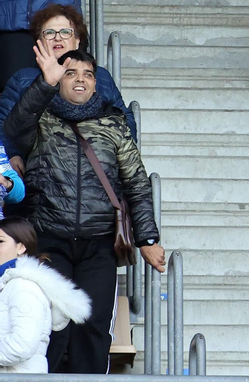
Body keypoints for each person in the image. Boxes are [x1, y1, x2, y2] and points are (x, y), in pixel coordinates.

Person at [3, 49, 162, 372]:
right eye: (71, 73)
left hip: (99, 243)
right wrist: (44, 84)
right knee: (50, 328)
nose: (80, 80)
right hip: (49, 238)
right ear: (59, 80)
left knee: (92, 327)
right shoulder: (41, 118)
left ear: (95, 83)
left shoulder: (114, 123)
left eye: (88, 74)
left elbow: (136, 183)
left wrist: (147, 239)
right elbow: (14, 128)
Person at [0, 6, 132, 137]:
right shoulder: (22, 79)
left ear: (77, 41)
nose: (57, 38)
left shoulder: (101, 76)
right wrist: (45, 85)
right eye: (49, 32)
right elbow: (4, 130)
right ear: (39, 42)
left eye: (65, 32)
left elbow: (127, 123)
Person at [0, 217, 90, 373]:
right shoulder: (9, 284)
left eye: (0, 241)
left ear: (21, 247)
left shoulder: (23, 286)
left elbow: (21, 346)